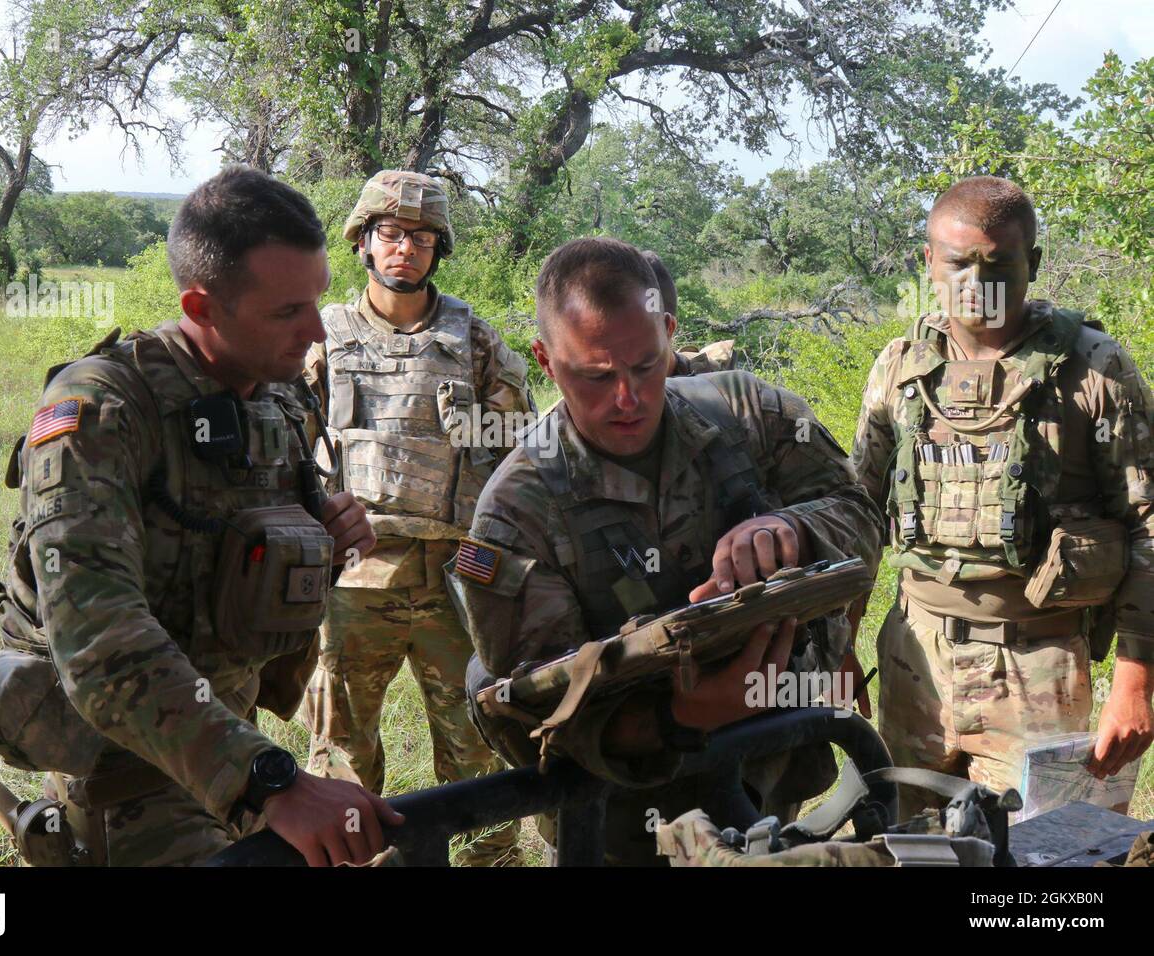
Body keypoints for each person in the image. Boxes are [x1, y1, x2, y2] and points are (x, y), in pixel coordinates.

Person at [0, 165, 402, 866]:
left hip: (228, 745)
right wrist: (272, 785)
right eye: (287, 311)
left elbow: (241, 543)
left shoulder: (281, 395)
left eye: (318, 301)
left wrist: (324, 537)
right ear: (202, 308)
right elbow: (97, 640)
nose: (318, 330)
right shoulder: (101, 411)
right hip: (129, 771)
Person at [447, 236, 882, 864]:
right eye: (595, 377)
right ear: (545, 360)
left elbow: (861, 514)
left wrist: (793, 530)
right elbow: (542, 707)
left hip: (771, 760)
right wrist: (685, 714)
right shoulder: (515, 513)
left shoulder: (750, 414)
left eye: (646, 365)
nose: (627, 398)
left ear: (670, 333)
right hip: (622, 808)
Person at [849, 175, 1154, 819]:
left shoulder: (1095, 370)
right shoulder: (900, 367)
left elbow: (1146, 522)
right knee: (915, 845)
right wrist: (840, 639)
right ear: (928, 262)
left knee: (1047, 867)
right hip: (915, 662)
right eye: (958, 262)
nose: (976, 282)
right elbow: (856, 512)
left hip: (1037, 666)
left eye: (999, 263)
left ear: (1033, 265)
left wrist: (1136, 679)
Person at [301, 170, 531, 865]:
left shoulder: (477, 341)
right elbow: (284, 455)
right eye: (392, 234)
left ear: (439, 250)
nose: (406, 248)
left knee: (483, 749)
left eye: (422, 237)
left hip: (455, 581)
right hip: (351, 583)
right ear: (364, 243)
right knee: (340, 760)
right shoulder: (323, 341)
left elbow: (522, 459)